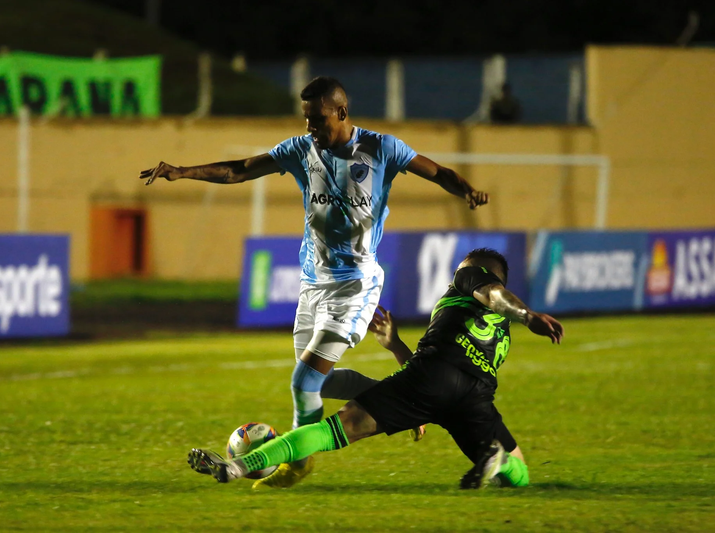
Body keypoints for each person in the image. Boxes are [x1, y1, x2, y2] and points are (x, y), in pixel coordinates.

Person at [140, 76, 489, 488]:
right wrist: (181, 172)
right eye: (306, 120)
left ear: (341, 112)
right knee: (318, 381)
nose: (310, 129)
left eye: (318, 119)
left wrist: (465, 188)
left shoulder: (381, 149)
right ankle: (405, 401)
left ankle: (297, 463)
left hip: (355, 284)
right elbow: (240, 170)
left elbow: (437, 171)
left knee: (304, 380)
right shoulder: (301, 150)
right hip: (313, 284)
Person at [187, 248, 564, 489]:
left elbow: (492, 297)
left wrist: (527, 315)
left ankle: (239, 466)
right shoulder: (502, 334)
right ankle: (496, 459)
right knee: (521, 472)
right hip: (475, 395)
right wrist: (395, 345)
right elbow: (453, 364)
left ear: (477, 272)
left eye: (463, 271)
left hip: (433, 376)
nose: (457, 276)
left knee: (335, 429)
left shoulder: (470, 280)